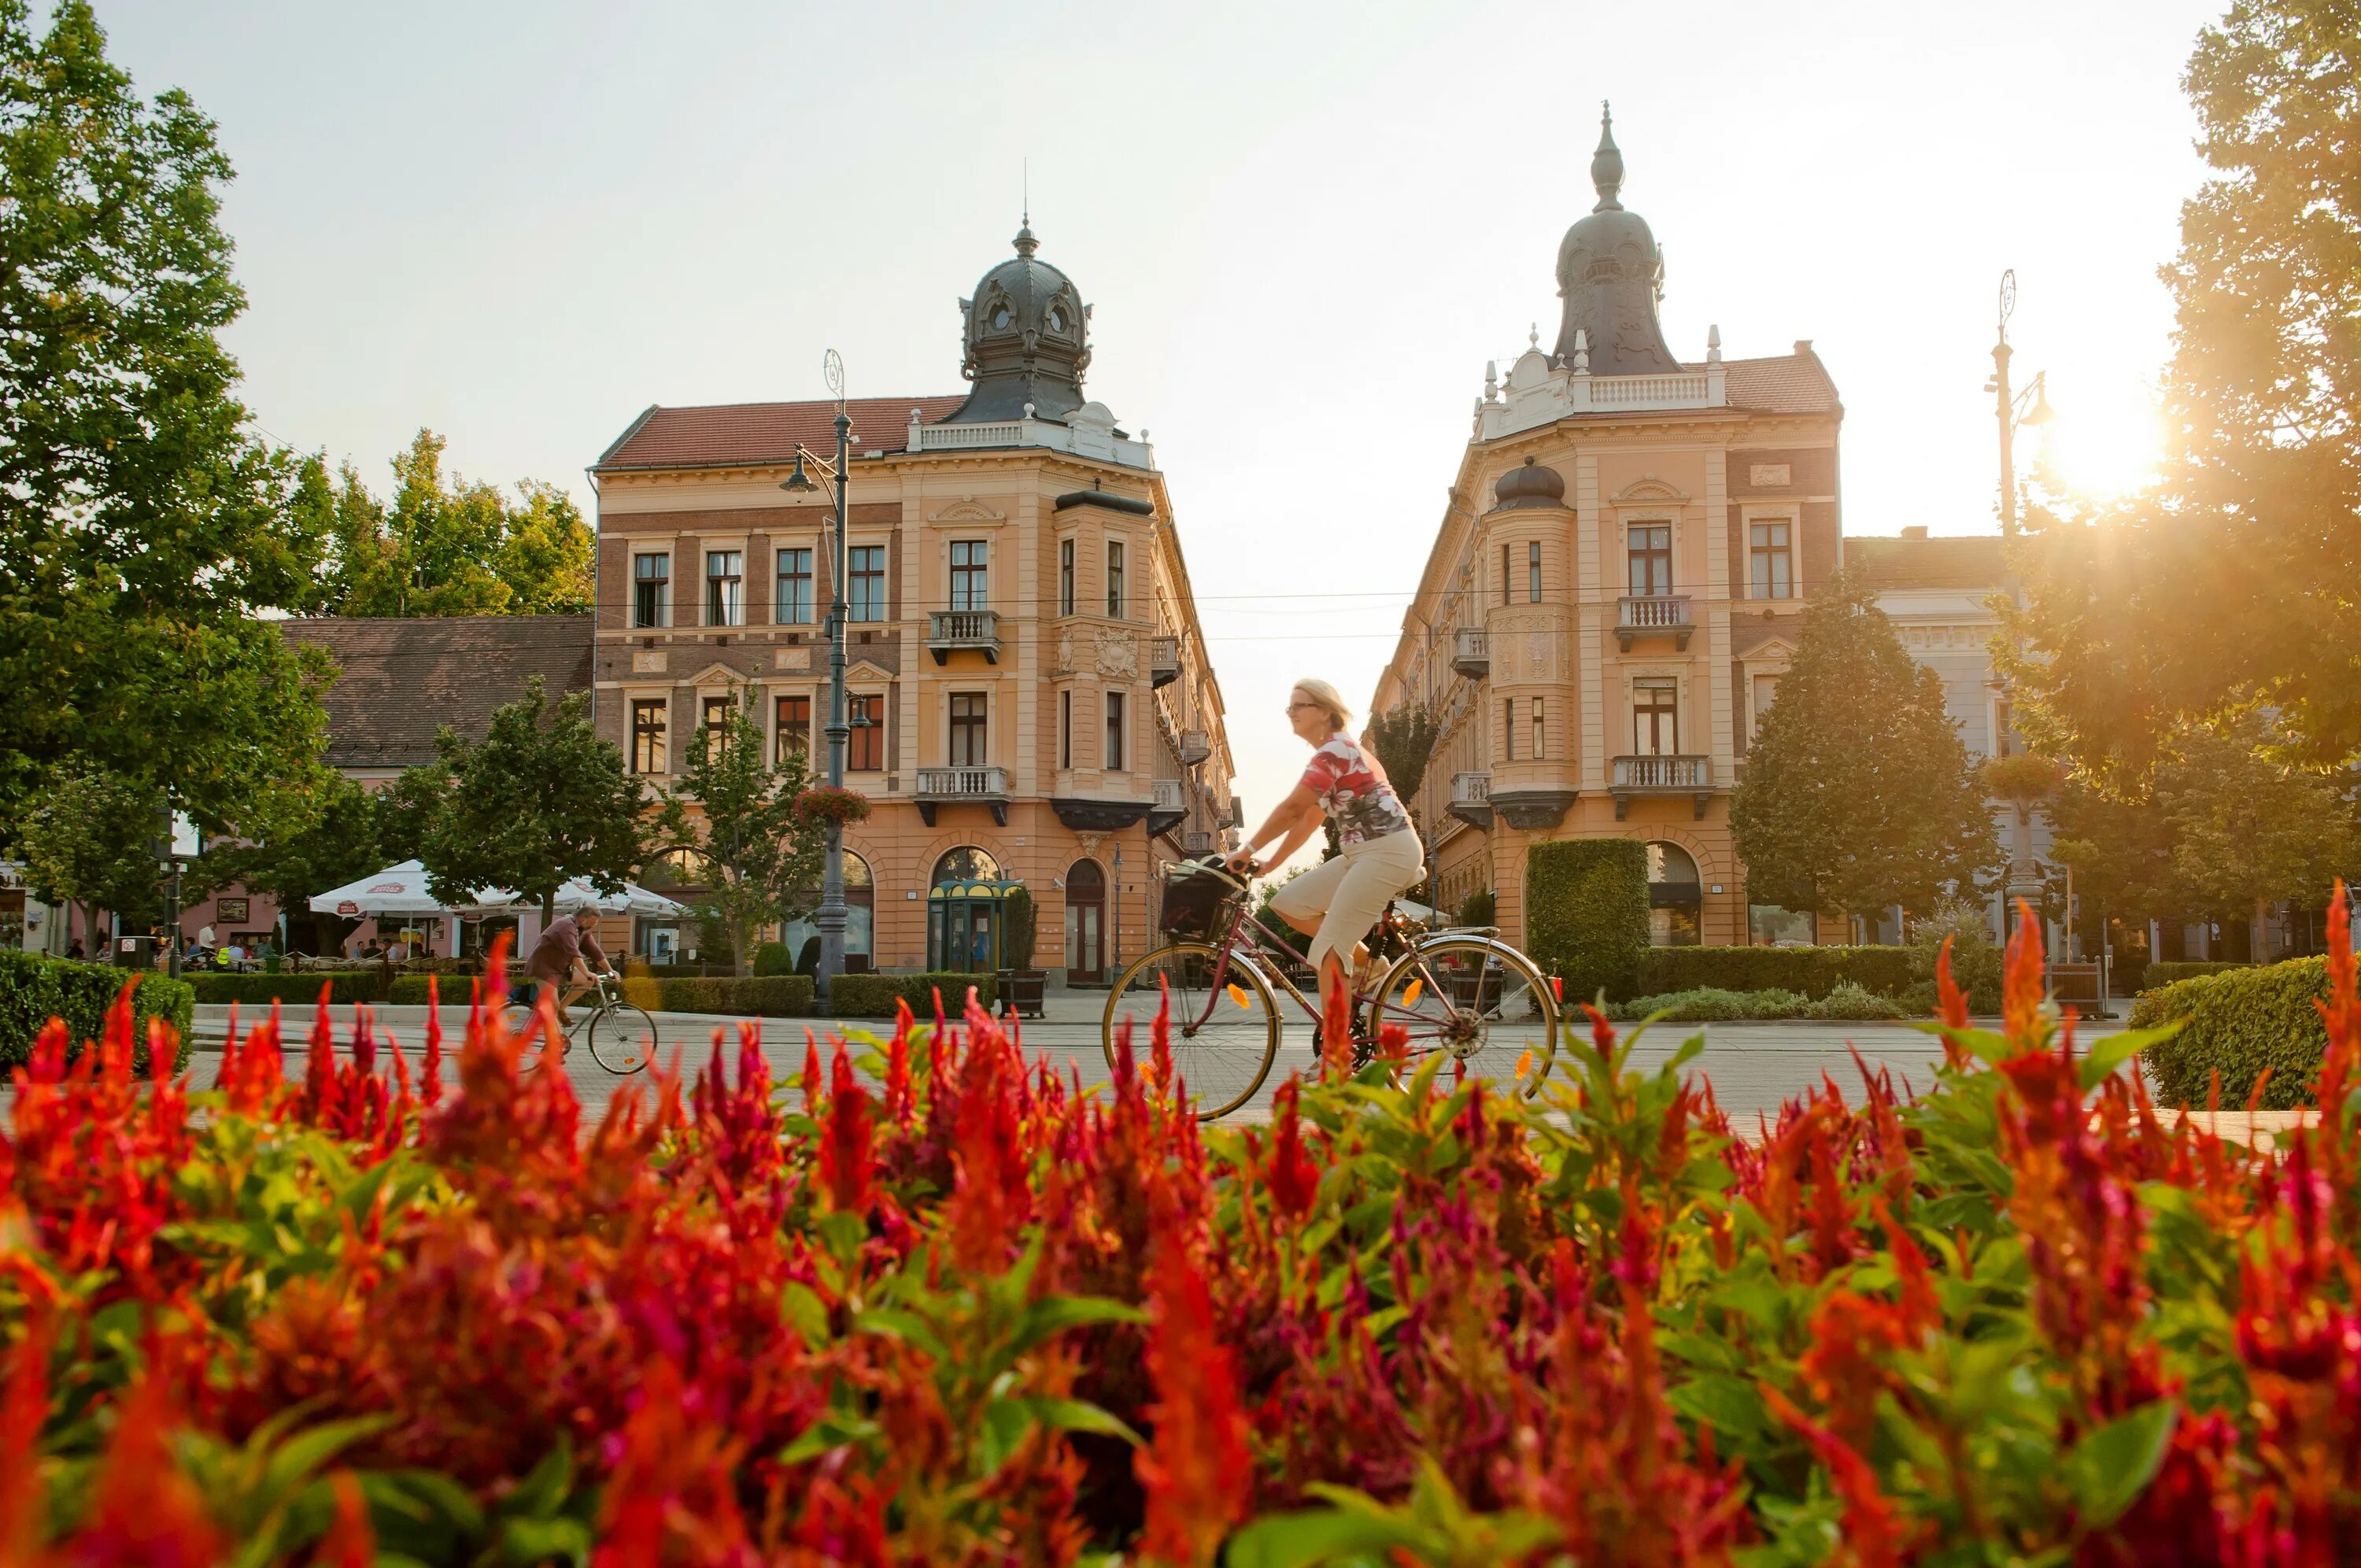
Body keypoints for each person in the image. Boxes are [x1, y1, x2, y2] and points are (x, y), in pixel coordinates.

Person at [1227, 677, 1424, 1016]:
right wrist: (1271, 864)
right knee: (1290, 903)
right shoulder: (1334, 752)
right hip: (1362, 853)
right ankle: (1371, 966)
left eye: (1300, 705)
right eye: (1290, 707)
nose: (1291, 712)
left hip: (1386, 851)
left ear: (1326, 711)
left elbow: (1291, 809)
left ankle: (1336, 1060)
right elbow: (1308, 819)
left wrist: (1246, 849)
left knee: (1330, 949)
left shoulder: (1336, 750)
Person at [522, 908, 614, 1030]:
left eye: (596, 923)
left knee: (588, 980)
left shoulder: (584, 930)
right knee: (552, 1007)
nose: (594, 925)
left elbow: (595, 952)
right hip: (544, 968)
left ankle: (561, 1009)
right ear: (582, 918)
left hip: (561, 968)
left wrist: (610, 971)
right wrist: (587, 972)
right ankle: (552, 1045)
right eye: (593, 922)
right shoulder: (565, 926)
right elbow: (574, 953)